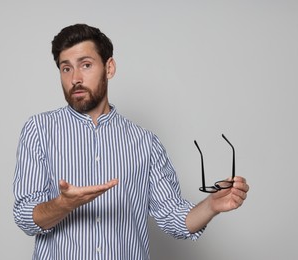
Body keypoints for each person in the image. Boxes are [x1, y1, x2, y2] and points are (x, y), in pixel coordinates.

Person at [13, 23, 249, 260]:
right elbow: (25, 217)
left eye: (86, 65)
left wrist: (211, 205)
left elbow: (174, 218)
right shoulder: (39, 130)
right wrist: (63, 204)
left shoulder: (145, 142)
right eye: (66, 68)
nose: (75, 78)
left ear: (109, 68)